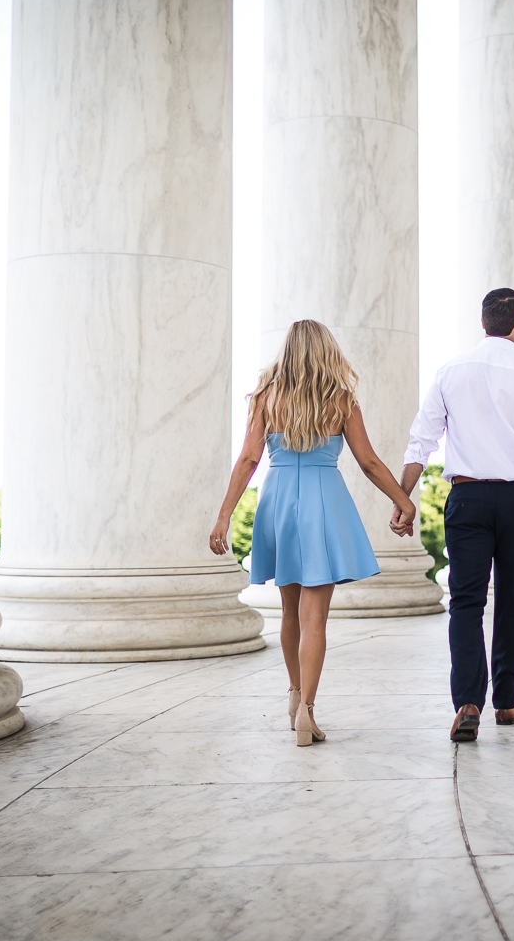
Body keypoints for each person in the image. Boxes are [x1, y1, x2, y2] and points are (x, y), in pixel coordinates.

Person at [210, 319, 416, 747]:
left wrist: (224, 515)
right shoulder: (342, 400)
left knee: (288, 613)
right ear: (327, 352)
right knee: (314, 619)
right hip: (325, 503)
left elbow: (249, 460)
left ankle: (293, 696)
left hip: (279, 502)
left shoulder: (266, 398)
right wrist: (403, 500)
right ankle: (307, 712)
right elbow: (370, 463)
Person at [399, 288, 514, 743]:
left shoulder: (450, 372)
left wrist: (402, 499)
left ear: (482, 322)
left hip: (467, 500)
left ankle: (467, 702)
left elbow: (421, 440)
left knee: (465, 601)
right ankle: (505, 702)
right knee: (511, 599)